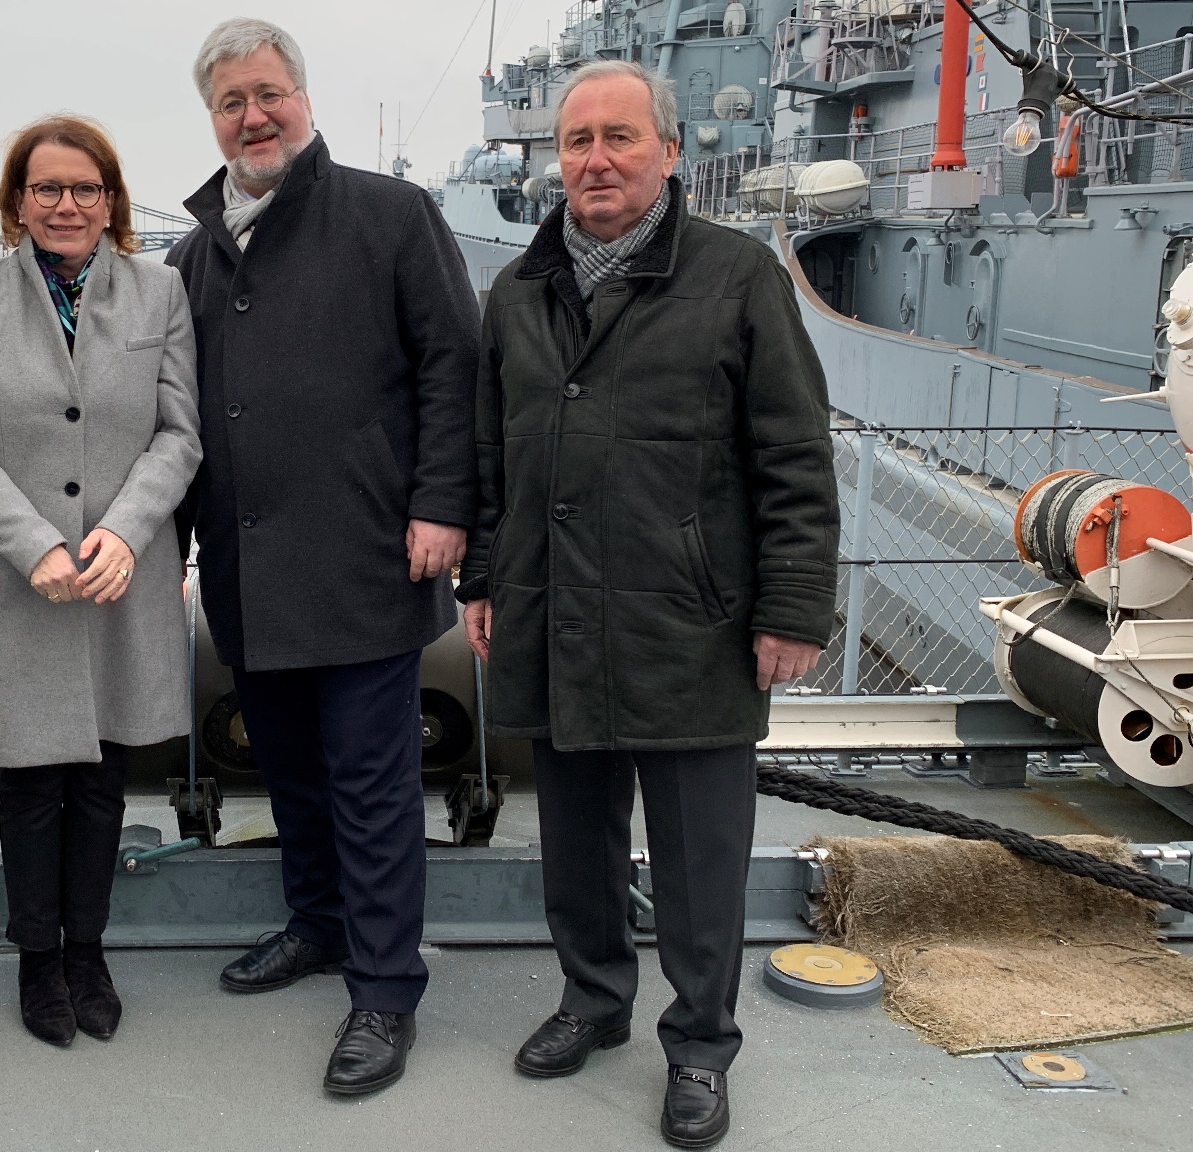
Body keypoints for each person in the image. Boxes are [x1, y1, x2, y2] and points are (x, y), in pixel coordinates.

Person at [458, 60, 838, 1149]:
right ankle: (591, 1001)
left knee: (698, 857)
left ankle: (703, 1046)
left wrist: (794, 607)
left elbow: (795, 459)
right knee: (575, 838)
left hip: (693, 621)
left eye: (620, 138)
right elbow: (492, 457)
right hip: (554, 609)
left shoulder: (737, 278)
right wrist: (481, 578)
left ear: (670, 153)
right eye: (578, 142)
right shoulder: (520, 291)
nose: (596, 160)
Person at [167, 18, 480, 1096]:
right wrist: (164, 543)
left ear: (303, 98)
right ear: (211, 120)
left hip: (365, 560)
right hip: (246, 569)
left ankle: (385, 990)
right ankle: (317, 924)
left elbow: (454, 365)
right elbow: (175, 419)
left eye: (268, 95)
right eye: (231, 103)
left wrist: (444, 504)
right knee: (289, 770)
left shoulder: (393, 217)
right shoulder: (192, 253)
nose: (253, 117)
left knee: (373, 784)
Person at [0, 116, 201, 1048]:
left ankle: (90, 950)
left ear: (113, 200)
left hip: (123, 570)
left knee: (103, 778)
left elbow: (180, 432)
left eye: (87, 189)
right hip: (20, 578)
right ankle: (37, 959)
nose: (68, 205)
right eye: (47, 189)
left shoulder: (159, 291)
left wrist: (125, 531)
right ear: (16, 203)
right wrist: (35, 543)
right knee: (32, 781)